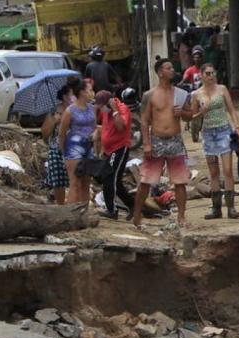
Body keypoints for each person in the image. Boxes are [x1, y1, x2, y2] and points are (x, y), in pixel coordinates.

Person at [132, 59, 194, 228]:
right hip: (156, 141)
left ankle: (181, 216)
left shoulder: (180, 94)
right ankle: (136, 215)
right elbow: (144, 121)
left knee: (180, 181)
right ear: (160, 73)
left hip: (175, 140)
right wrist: (146, 143)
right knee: (146, 180)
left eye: (172, 67)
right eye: (168, 68)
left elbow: (190, 116)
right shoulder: (149, 95)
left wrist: (182, 112)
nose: (172, 70)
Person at [192, 62, 239, 219]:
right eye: (207, 73)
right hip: (208, 133)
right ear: (201, 75)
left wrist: (237, 126)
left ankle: (231, 207)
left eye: (213, 73)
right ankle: (216, 208)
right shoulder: (196, 94)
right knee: (213, 172)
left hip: (224, 130)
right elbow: (192, 117)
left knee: (227, 170)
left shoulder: (222, 89)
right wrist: (202, 111)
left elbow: (231, 109)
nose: (211, 76)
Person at [93, 90, 134, 220]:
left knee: (109, 179)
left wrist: (115, 111)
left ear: (109, 103)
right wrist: (103, 149)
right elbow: (105, 129)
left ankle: (112, 210)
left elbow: (121, 127)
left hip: (119, 148)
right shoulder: (105, 112)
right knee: (115, 181)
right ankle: (133, 205)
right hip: (109, 150)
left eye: (101, 106)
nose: (101, 109)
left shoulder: (122, 109)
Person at [58, 79, 97, 204]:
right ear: (82, 92)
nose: (92, 92)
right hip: (74, 148)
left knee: (86, 183)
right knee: (75, 183)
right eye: (89, 90)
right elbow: (62, 134)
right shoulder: (70, 111)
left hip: (89, 146)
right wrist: (63, 153)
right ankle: (71, 212)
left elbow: (94, 126)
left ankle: (84, 211)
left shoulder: (92, 108)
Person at [41, 79, 77, 205]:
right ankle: (60, 207)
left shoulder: (76, 110)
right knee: (58, 181)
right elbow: (44, 134)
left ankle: (72, 206)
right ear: (65, 97)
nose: (74, 96)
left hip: (73, 150)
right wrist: (54, 121)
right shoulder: (54, 111)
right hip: (56, 150)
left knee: (74, 179)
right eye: (72, 94)